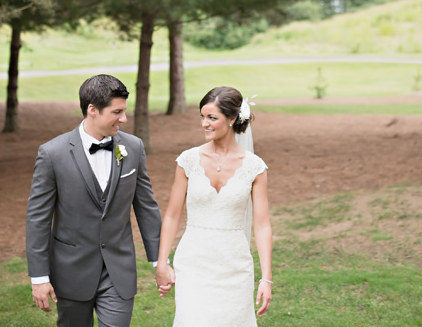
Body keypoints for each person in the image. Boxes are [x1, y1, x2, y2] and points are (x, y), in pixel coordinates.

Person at [26, 74, 162, 327]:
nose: (124, 118)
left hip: (118, 271)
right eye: (117, 112)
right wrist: (39, 277)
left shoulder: (133, 147)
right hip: (71, 272)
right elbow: (38, 220)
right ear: (93, 110)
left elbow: (146, 205)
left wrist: (160, 260)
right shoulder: (52, 154)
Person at [155, 86, 273, 326]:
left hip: (235, 265)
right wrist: (163, 262)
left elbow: (262, 226)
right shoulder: (187, 160)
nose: (204, 124)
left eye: (212, 118)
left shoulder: (255, 167)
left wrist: (266, 278)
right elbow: (171, 216)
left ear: (231, 119)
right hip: (193, 263)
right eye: (202, 117)